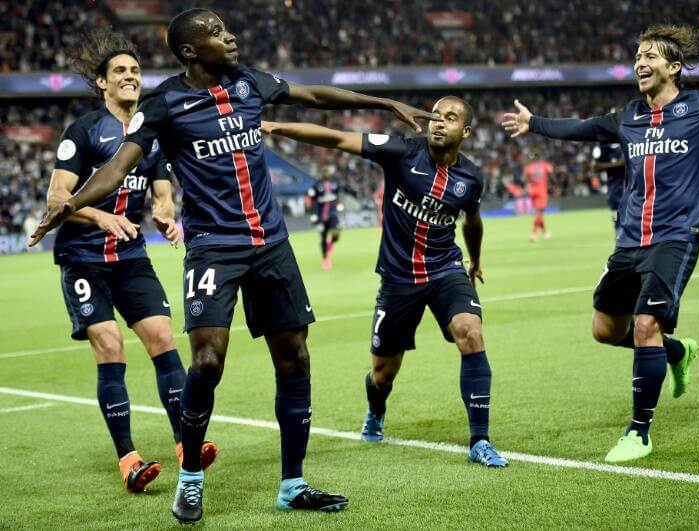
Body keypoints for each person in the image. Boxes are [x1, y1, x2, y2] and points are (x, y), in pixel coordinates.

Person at [29, 8, 438, 523]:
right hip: (213, 248)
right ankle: (192, 477)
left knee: (295, 358)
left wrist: (383, 101)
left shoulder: (249, 83)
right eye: (217, 34)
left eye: (227, 29)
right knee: (206, 363)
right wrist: (65, 208)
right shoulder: (164, 104)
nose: (232, 38)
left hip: (271, 243)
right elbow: (115, 168)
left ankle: (293, 483)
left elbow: (313, 95)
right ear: (189, 51)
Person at [501, 23, 699, 463]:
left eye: (650, 56)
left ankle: (639, 431)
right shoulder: (629, 116)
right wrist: (534, 124)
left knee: (646, 325)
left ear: (674, 67)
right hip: (629, 240)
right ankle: (677, 352)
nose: (640, 62)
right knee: (606, 331)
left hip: (678, 236)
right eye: (637, 55)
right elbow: (581, 128)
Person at [262, 95, 509, 468]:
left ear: (467, 131)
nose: (438, 122)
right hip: (398, 280)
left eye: (450, 118)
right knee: (382, 374)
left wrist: (474, 260)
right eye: (435, 115)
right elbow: (335, 138)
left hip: (445, 270)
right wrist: (273, 127)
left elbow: (471, 221)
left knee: (470, 331)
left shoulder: (471, 177)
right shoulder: (400, 152)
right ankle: (376, 410)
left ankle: (480, 440)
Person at [46, 30, 217, 493]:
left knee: (163, 338)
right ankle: (129, 459)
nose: (130, 77)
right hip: (84, 261)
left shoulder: (150, 139)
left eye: (136, 71)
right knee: (110, 345)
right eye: (120, 71)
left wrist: (167, 218)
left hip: (131, 257)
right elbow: (57, 198)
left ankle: (187, 443)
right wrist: (101, 217)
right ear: (102, 83)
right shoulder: (82, 132)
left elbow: (163, 198)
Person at [306, 165, 343, 269]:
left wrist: (339, 204)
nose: (327, 174)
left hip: (332, 214)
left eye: (328, 172)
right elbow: (310, 200)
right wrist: (313, 215)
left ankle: (331, 242)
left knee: (336, 233)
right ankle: (325, 259)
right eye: (325, 172)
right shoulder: (316, 185)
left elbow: (337, 196)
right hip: (320, 215)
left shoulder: (335, 184)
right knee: (323, 236)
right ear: (322, 174)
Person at [592, 139, 625, 233]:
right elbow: (594, 167)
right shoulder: (604, 145)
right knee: (616, 213)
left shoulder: (629, 137)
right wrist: (617, 164)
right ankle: (618, 232)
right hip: (615, 189)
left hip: (633, 186)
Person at [523, 156, 553, 241]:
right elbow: (550, 172)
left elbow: (526, 178)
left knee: (538, 213)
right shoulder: (544, 165)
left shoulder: (528, 167)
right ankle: (533, 233)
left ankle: (545, 232)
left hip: (532, 190)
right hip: (541, 190)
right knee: (539, 213)